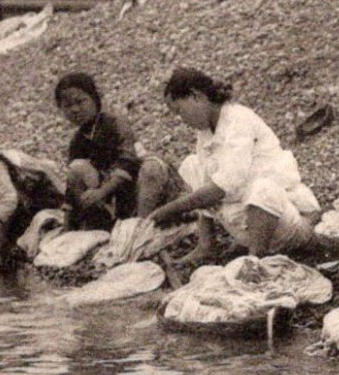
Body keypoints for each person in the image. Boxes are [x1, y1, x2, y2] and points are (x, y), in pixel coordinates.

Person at [138, 69, 321, 264]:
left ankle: (256, 259)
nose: (181, 119)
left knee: (263, 189)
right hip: (243, 219)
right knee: (193, 165)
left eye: (180, 111)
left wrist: (171, 209)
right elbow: (210, 182)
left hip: (281, 221)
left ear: (196, 96)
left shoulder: (239, 120)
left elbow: (223, 185)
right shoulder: (206, 131)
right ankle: (207, 245)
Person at [54, 72, 168, 231]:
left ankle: (140, 228)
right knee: (76, 168)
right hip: (112, 197)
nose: (75, 109)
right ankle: (102, 226)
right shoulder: (77, 141)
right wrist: (66, 229)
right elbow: (72, 185)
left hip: (138, 187)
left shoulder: (115, 123)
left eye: (80, 101)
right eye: (67, 106)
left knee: (151, 168)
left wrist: (102, 191)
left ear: (95, 99)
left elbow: (128, 162)